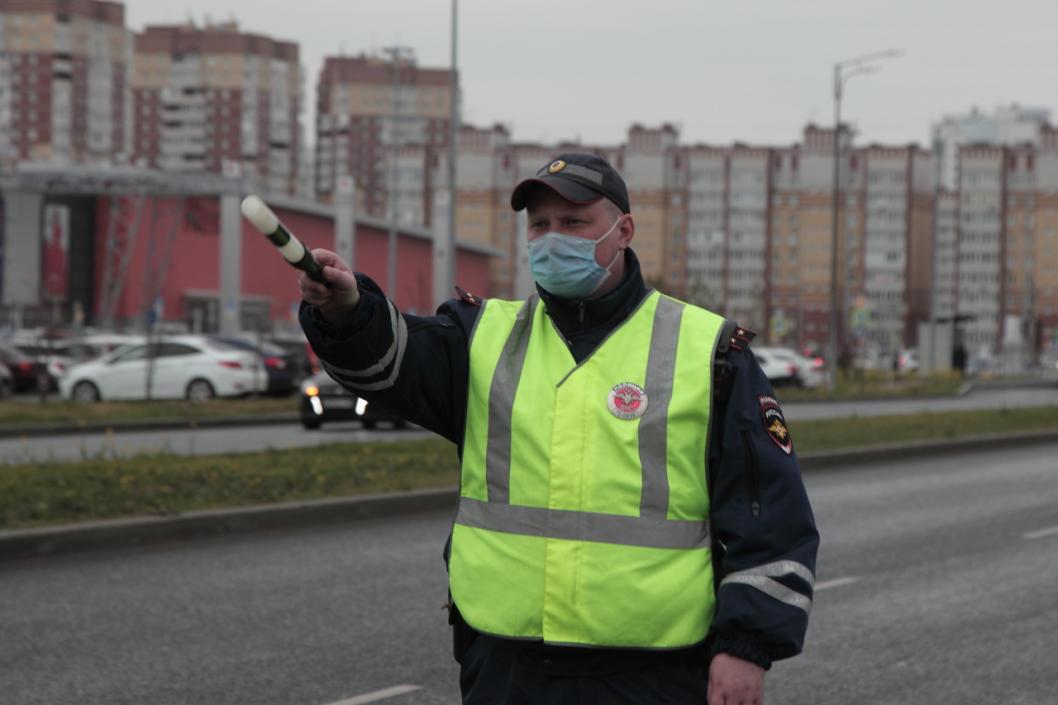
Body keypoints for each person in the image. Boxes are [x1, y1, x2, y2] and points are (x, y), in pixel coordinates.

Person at [299, 153, 819, 705]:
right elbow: (389, 364)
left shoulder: (708, 351)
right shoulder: (481, 337)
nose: (554, 239)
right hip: (508, 662)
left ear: (624, 231)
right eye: (540, 225)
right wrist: (347, 310)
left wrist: (745, 646)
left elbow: (769, 513)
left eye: (574, 223)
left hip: (653, 669)